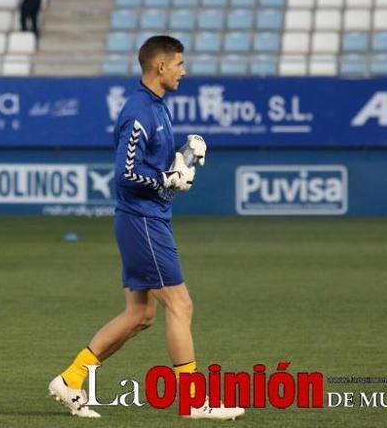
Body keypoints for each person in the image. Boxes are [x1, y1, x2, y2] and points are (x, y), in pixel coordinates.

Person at [48, 36, 244, 421]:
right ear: (160, 66)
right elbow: (126, 173)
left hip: (146, 218)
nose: (184, 71)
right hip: (142, 220)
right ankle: (192, 402)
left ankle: (70, 380)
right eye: (179, 64)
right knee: (181, 304)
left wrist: (182, 158)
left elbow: (152, 164)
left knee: (140, 315)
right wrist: (166, 181)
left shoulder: (157, 108)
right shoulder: (139, 111)